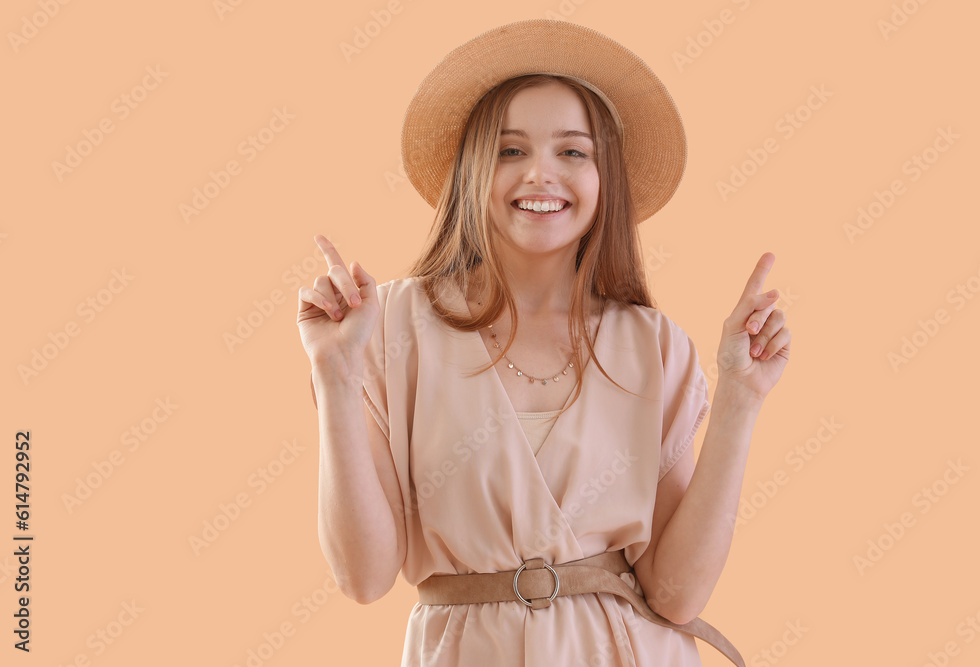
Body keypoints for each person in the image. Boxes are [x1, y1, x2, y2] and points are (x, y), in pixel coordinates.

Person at [296, 18, 790, 667]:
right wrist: (334, 377)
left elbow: (677, 593)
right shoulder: (392, 326)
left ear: (603, 177)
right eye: (510, 150)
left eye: (572, 152)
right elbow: (363, 578)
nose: (540, 175)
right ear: (474, 169)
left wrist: (739, 399)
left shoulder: (652, 345)